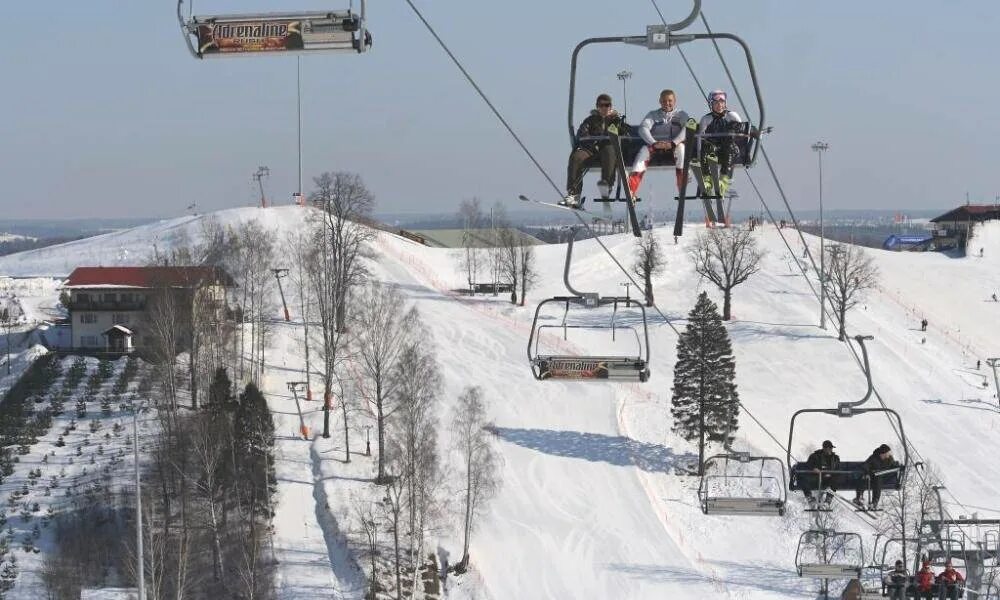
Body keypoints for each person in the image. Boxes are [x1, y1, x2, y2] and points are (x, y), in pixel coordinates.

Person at [627, 89, 691, 198]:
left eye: (670, 101)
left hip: (673, 148)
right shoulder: (653, 115)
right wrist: (654, 143)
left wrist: (673, 143)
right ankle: (632, 188)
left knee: (681, 148)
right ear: (660, 101)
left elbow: (689, 128)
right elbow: (643, 129)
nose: (667, 103)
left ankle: (682, 185)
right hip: (657, 148)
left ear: (674, 101)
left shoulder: (682, 115)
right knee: (644, 150)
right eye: (664, 101)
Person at [564, 93, 623, 207]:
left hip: (607, 151)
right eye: (601, 105)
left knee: (609, 149)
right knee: (576, 157)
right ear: (597, 106)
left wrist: (615, 121)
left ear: (611, 107)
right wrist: (592, 143)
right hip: (591, 150)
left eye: (607, 105)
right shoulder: (590, 120)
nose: (604, 108)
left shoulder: (616, 120)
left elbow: (621, 133)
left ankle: (607, 185)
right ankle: (574, 194)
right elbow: (582, 134)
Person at [696, 89, 745, 199]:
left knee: (728, 148)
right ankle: (707, 181)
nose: (719, 105)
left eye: (722, 102)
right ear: (711, 104)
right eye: (716, 103)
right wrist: (699, 154)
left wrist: (736, 127)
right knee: (706, 147)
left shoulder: (731, 116)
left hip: (729, 148)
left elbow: (741, 131)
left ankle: (723, 181)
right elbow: (700, 138)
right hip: (714, 148)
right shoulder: (706, 119)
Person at [853, 444, 900, 510]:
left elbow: (894, 465)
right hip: (871, 477)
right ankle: (859, 497)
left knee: (878, 480)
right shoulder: (874, 458)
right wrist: (867, 472)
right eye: (887, 453)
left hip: (881, 479)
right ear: (882, 453)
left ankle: (874, 502)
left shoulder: (889, 459)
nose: (888, 455)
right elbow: (866, 465)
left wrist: (899, 467)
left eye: (889, 453)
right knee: (863, 478)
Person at [802, 440, 840, 509]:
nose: (830, 450)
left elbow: (838, 469)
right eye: (829, 448)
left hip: (829, 479)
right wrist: (814, 468)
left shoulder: (835, 458)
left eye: (831, 448)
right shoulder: (815, 456)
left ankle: (827, 502)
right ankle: (810, 500)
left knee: (835, 480)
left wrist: (831, 473)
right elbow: (808, 465)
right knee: (804, 479)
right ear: (825, 448)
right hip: (816, 478)